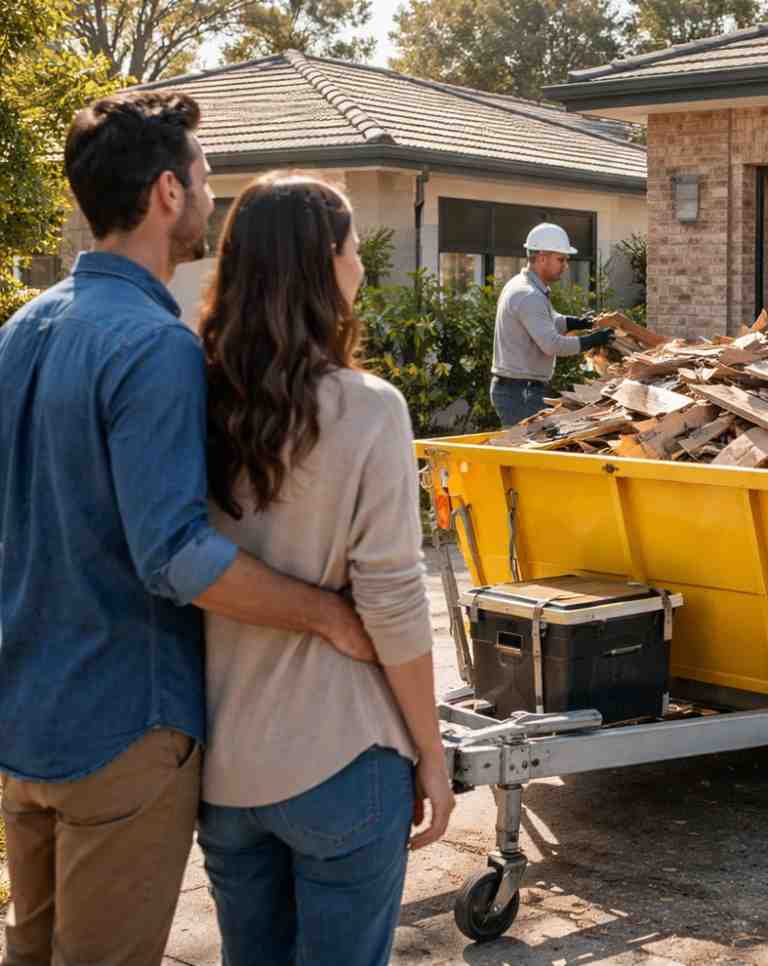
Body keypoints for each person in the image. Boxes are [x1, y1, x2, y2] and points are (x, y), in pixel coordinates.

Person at [0, 92, 375, 966]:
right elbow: (177, 557)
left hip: (26, 721)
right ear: (167, 193)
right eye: (206, 179)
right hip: (124, 730)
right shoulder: (154, 344)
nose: (212, 200)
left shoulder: (19, 331)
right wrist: (329, 615)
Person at [194, 172, 454, 966]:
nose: (361, 269)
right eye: (351, 252)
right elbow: (393, 600)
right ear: (323, 268)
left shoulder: (188, 394)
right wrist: (433, 752)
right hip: (343, 756)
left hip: (223, 771)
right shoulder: (369, 407)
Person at [490, 222, 613, 425]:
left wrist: (579, 323)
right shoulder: (528, 295)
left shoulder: (527, 287)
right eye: (561, 259)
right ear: (541, 258)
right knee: (530, 455)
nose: (565, 266)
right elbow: (552, 344)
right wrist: (593, 340)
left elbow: (551, 321)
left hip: (519, 390)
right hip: (520, 393)